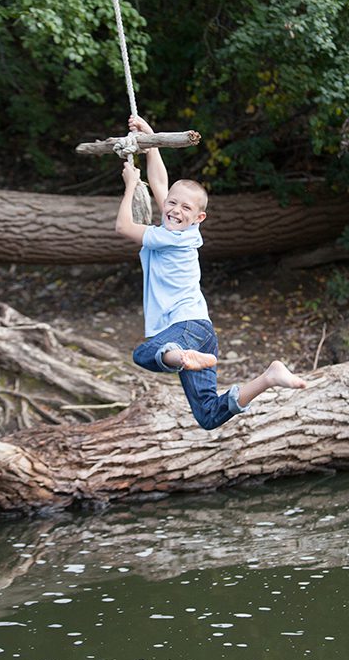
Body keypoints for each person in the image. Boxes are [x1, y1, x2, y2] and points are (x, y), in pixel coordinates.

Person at [115, 116, 306, 431]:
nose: (175, 209)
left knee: (144, 353)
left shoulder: (169, 237)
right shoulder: (181, 230)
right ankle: (269, 377)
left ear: (199, 217)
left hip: (186, 328)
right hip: (202, 333)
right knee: (207, 415)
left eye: (185, 208)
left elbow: (123, 226)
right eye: (172, 204)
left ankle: (178, 354)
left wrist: (132, 186)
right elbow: (162, 184)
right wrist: (150, 143)